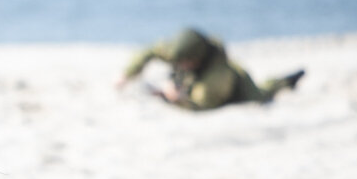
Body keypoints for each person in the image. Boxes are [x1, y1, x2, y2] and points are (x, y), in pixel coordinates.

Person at [116, 28, 305, 110]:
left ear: (196, 57)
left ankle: (286, 81)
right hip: (199, 79)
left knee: (261, 93)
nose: (181, 64)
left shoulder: (217, 73)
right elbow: (149, 52)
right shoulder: (179, 52)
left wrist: (175, 99)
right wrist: (126, 75)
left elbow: (203, 102)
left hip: (236, 84)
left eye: (185, 62)